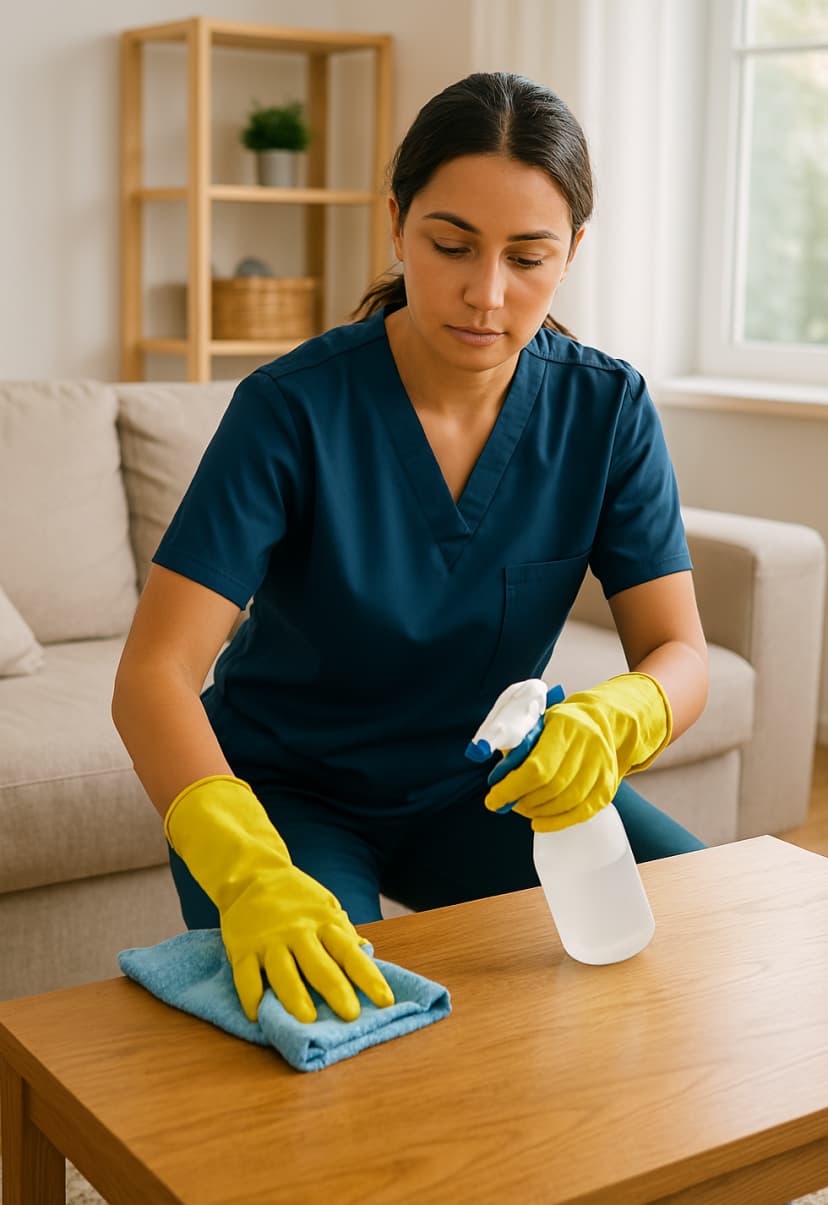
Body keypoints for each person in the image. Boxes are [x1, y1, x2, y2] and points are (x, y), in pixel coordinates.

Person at [112, 71, 709, 1028]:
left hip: (488, 782)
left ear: (574, 254)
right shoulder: (292, 409)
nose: (486, 294)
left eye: (528, 257)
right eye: (450, 245)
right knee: (333, 1035)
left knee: (706, 936)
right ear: (396, 223)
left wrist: (614, 720)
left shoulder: (607, 408)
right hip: (284, 794)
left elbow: (679, 654)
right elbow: (153, 673)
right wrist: (248, 866)